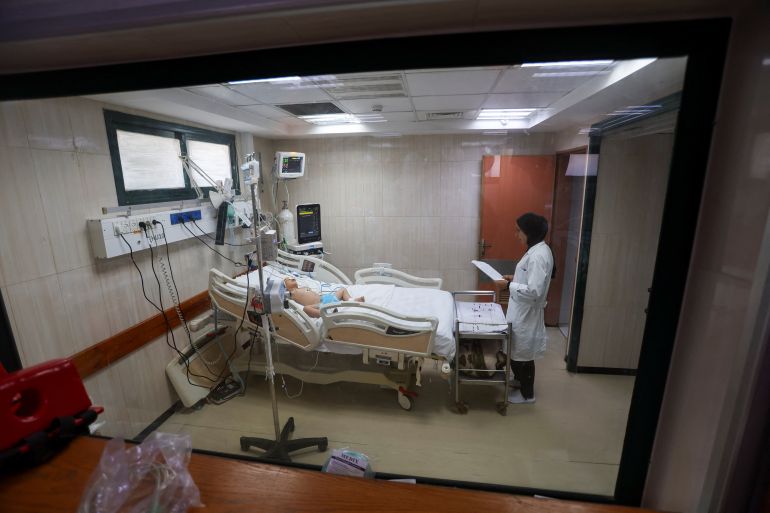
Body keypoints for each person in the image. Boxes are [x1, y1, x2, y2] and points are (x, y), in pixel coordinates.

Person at [494, 212, 554, 404]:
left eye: (519, 231)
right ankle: (519, 383)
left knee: (524, 357)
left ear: (530, 232)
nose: (516, 234)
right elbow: (531, 280)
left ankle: (528, 395)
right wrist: (515, 278)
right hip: (521, 310)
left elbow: (535, 290)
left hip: (526, 313)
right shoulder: (537, 251)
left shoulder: (538, 256)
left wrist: (509, 286)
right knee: (518, 351)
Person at [283, 278, 364, 318]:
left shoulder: (302, 287)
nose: (292, 278)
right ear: (286, 287)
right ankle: (324, 314)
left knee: (342, 289)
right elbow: (283, 298)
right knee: (306, 308)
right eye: (288, 280)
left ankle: (351, 300)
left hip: (326, 298)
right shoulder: (291, 293)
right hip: (318, 305)